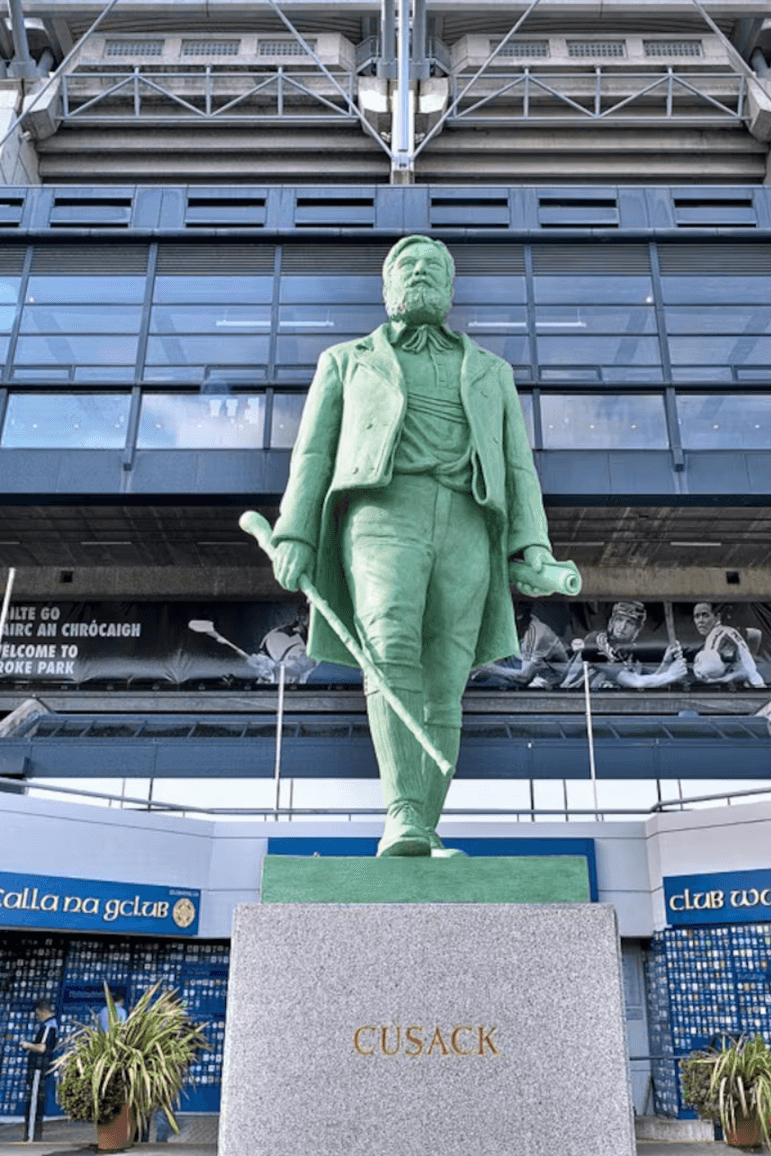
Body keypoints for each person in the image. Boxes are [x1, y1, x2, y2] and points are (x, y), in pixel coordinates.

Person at [266, 235, 575, 858]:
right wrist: (294, 532)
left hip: (467, 518)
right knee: (390, 643)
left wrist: (532, 549)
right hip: (384, 512)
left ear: (450, 289)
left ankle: (424, 827)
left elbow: (519, 469)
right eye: (407, 265)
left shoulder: (491, 371)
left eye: (434, 267)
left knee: (447, 674)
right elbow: (314, 454)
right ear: (387, 287)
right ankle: (402, 812)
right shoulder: (346, 361)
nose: (421, 273)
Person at [559, 600, 651, 689]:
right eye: (619, 620)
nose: (622, 627)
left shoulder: (635, 655)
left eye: (630, 623)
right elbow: (576, 678)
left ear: (636, 629)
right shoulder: (595, 640)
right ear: (612, 622)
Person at [469, 608, 569, 688]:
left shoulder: (536, 632)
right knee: (472, 683)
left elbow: (524, 676)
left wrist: (491, 669)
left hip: (544, 678)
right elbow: (501, 659)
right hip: (519, 667)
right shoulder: (517, 628)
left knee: (482, 688)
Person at [687, 602, 765, 688]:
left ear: (717, 617)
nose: (700, 621)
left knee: (703, 659)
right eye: (697, 616)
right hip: (755, 681)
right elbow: (756, 634)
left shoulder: (717, 637)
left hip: (751, 685)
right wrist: (749, 659)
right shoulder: (727, 631)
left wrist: (724, 679)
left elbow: (743, 672)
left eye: (705, 615)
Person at [21, 1000, 57, 1141]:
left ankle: (31, 1135)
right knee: (36, 1101)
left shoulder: (48, 1027)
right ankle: (33, 1134)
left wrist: (27, 1045)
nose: (38, 1017)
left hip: (38, 1069)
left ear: (42, 1012)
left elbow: (42, 1048)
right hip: (41, 1069)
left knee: (34, 1102)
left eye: (38, 1014)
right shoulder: (52, 1026)